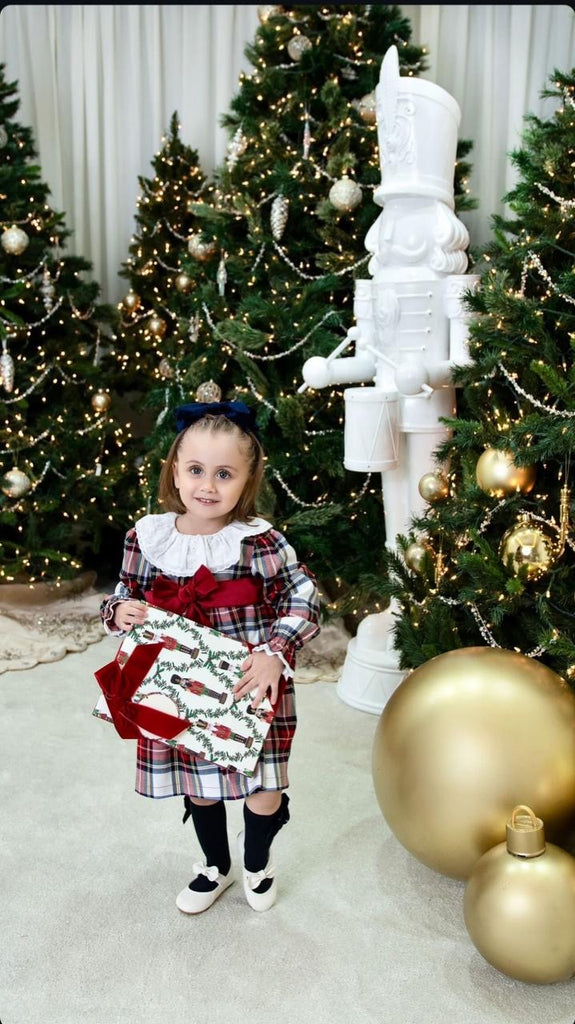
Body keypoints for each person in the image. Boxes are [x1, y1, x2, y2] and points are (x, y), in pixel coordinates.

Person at [100, 398, 321, 915]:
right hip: (178, 680)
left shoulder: (258, 542)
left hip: (250, 679)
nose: (207, 485)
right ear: (175, 471)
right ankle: (215, 865)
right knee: (200, 785)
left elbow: (304, 593)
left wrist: (275, 650)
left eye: (224, 474)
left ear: (247, 480)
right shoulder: (147, 536)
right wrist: (121, 611)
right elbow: (123, 590)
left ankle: (257, 862)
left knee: (262, 786)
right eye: (196, 469)